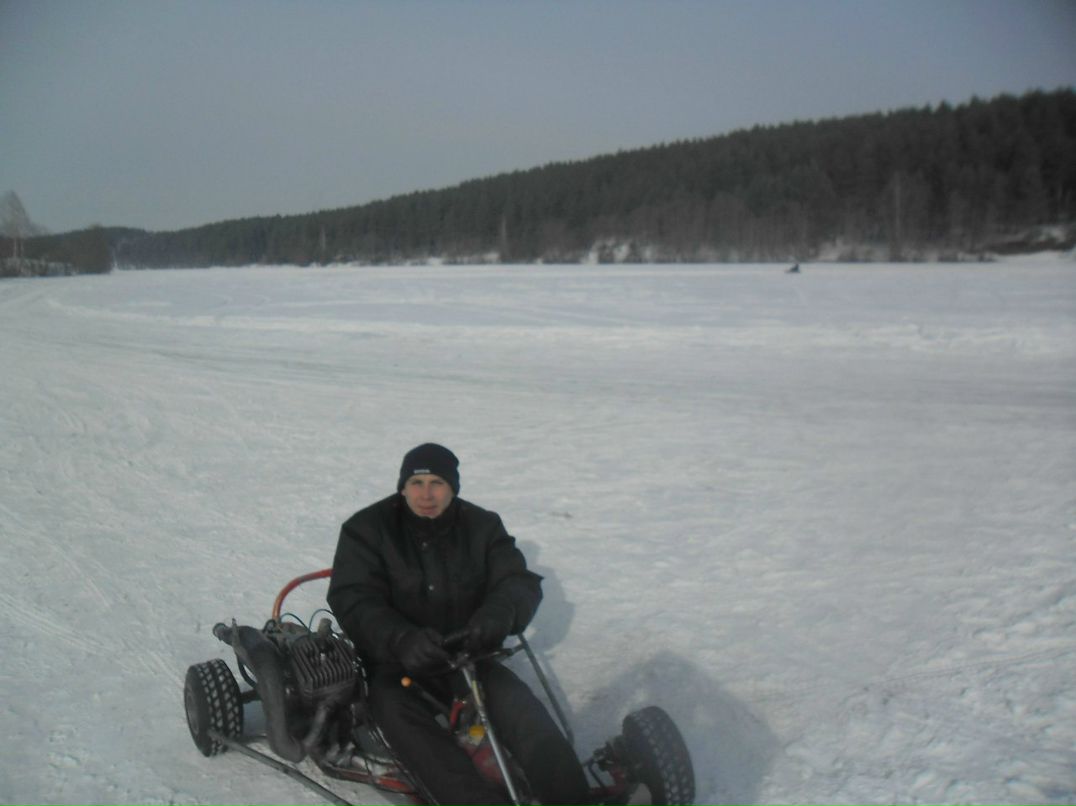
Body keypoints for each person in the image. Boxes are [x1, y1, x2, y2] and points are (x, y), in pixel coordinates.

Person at [327, 443, 590, 806]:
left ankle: (572, 798)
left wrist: (499, 614)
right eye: (417, 483)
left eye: (437, 483)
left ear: (453, 487)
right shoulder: (367, 529)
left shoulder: (482, 527)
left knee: (523, 714)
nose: (426, 495)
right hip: (397, 665)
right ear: (403, 486)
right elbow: (354, 597)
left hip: (470, 655)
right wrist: (399, 639)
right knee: (413, 734)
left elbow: (517, 581)